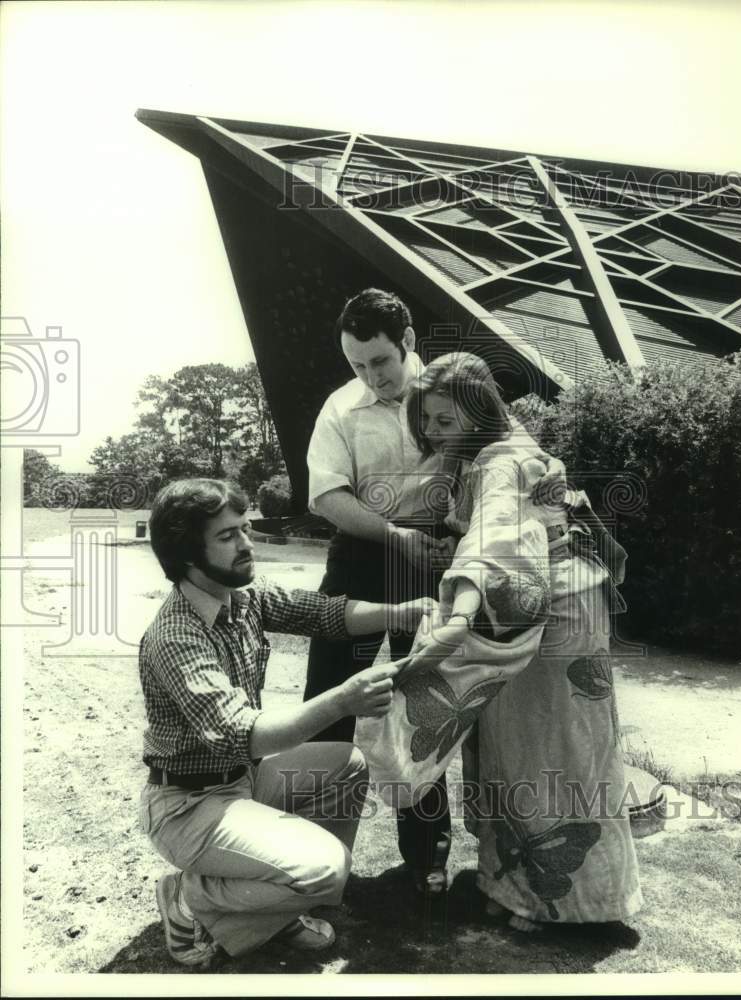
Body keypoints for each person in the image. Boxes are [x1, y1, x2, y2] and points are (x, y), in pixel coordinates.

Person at [303, 288, 564, 894]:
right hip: (365, 549)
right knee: (329, 692)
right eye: (357, 365)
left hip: (443, 555)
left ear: (408, 344)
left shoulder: (454, 389)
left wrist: (457, 536)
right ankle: (315, 850)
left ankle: (426, 859)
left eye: (381, 363)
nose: (372, 376)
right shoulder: (340, 409)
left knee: (425, 699)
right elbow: (326, 496)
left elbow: (514, 455)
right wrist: (394, 535)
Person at [139, 478, 434, 966]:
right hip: (187, 805)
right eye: (228, 535)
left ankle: (276, 907)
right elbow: (242, 734)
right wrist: (342, 700)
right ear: (188, 553)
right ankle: (189, 901)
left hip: (242, 782)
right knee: (326, 869)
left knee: (349, 763)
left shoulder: (245, 596)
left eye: (246, 528)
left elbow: (323, 613)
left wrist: (402, 612)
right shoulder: (175, 636)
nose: (246, 543)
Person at [405, 353, 643, 929]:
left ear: (479, 411)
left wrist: (458, 611)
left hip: (545, 609)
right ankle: (520, 886)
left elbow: (494, 540)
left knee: (545, 748)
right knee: (563, 745)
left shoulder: (498, 460)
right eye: (428, 423)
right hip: (566, 597)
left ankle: (550, 903)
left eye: (444, 420)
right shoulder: (513, 446)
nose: (435, 433)